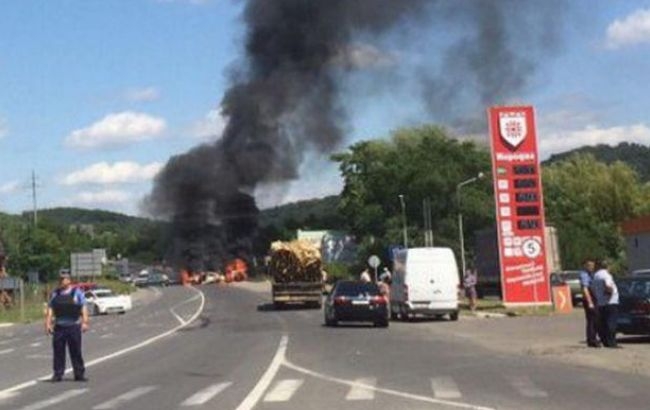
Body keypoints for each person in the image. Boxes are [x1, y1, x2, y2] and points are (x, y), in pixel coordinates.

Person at [44, 272, 89, 382]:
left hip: (73, 326)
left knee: (76, 351)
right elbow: (50, 310)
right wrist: (48, 324)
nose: (61, 281)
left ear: (69, 280)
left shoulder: (77, 293)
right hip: (59, 327)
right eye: (60, 279)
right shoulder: (55, 294)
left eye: (64, 279)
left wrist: (85, 322)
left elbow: (83, 308)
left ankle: (79, 373)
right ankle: (58, 373)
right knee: (58, 351)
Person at [590, 259, 620, 348]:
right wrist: (609, 294)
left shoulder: (596, 275)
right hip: (610, 302)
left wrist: (599, 296)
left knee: (603, 322)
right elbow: (608, 286)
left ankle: (605, 341)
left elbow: (592, 289)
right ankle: (612, 342)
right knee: (611, 322)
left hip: (601, 302)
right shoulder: (606, 275)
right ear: (608, 266)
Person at [579, 258, 600, 347]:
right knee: (592, 320)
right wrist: (590, 302)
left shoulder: (592, 274)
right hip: (589, 299)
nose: (591, 267)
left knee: (594, 319)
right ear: (585, 266)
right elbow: (585, 289)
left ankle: (592, 338)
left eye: (592, 265)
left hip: (594, 298)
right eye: (589, 265)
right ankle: (592, 340)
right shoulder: (584, 274)